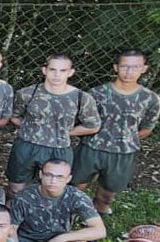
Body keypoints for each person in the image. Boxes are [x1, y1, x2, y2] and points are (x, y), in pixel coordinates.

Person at [73, 49, 160, 215]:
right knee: (75, 189)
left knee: (106, 197)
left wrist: (123, 140)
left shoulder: (150, 99)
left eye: (135, 67)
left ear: (144, 69)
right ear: (116, 67)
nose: (129, 72)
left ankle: (98, 221)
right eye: (124, 66)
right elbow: (82, 122)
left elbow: (146, 129)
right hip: (90, 149)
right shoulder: (96, 93)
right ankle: (70, 219)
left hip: (123, 154)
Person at [10, 158, 106, 242]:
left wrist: (63, 237)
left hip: (57, 241)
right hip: (28, 240)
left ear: (68, 179)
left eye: (60, 177)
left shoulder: (75, 196)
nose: (53, 181)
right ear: (41, 174)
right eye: (48, 175)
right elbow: (11, 229)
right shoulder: (24, 196)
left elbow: (100, 230)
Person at [7, 53, 101, 195]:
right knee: (15, 189)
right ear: (44, 70)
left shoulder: (81, 98)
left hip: (59, 149)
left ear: (71, 72)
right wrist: (32, 127)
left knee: (53, 191)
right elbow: (14, 116)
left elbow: (93, 125)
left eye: (63, 70)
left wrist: (65, 132)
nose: (57, 75)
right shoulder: (27, 93)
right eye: (52, 69)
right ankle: (14, 209)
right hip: (26, 146)